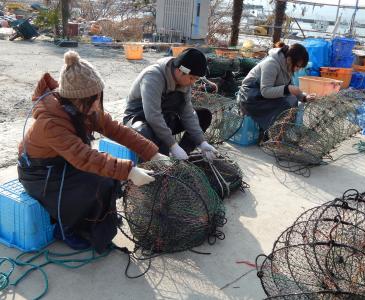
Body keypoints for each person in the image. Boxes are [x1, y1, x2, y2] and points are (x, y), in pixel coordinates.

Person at [17, 51, 167, 253]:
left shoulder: (84, 108)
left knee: (110, 178)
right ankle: (66, 228)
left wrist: (153, 152)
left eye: (98, 98)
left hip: (65, 162)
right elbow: (83, 157)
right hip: (42, 174)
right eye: (92, 100)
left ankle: (94, 221)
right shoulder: (51, 122)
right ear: (75, 98)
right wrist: (130, 171)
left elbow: (117, 130)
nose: (97, 105)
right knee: (97, 183)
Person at [123, 48, 218, 161]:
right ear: (180, 70)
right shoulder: (153, 76)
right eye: (191, 78)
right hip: (140, 119)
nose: (192, 82)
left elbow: (187, 113)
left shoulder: (185, 81)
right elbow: (153, 116)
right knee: (145, 134)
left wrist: (202, 142)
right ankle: (161, 158)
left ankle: (181, 157)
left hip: (165, 118)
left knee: (203, 115)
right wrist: (172, 145)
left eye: (195, 79)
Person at [237, 42, 315, 137]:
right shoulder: (271, 64)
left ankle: (280, 132)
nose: (298, 69)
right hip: (250, 96)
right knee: (285, 102)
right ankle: (272, 132)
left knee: (292, 99)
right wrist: (287, 89)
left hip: (261, 95)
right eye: (298, 66)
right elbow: (265, 91)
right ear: (290, 59)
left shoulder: (287, 65)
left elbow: (291, 87)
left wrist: (304, 97)